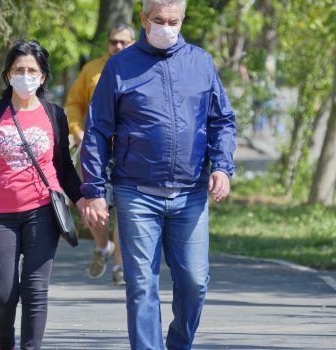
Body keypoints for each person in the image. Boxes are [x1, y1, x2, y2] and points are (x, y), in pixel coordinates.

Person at [80, 0, 236, 349]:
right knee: (141, 286)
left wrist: (223, 167)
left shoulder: (201, 63)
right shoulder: (120, 67)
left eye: (173, 20)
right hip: (136, 193)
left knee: (195, 282)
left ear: (183, 19)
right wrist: (93, 189)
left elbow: (222, 120)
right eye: (159, 20)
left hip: (190, 193)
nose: (166, 27)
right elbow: (97, 131)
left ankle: (178, 343)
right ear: (143, 19)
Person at [0, 39, 92, 350]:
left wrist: (84, 199)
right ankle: (4, 343)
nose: (25, 76)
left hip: (42, 213)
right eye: (18, 70)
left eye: (32, 70)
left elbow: (63, 168)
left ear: (43, 76)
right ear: (8, 75)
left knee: (35, 290)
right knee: (3, 293)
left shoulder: (54, 114)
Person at [65, 23, 135, 285]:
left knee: (125, 210)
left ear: (133, 42)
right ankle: (103, 247)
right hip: (96, 150)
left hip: (129, 151)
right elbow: (74, 103)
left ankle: (119, 265)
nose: (118, 46)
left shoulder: (139, 68)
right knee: (96, 207)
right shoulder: (92, 70)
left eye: (124, 42)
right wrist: (77, 130)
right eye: (114, 41)